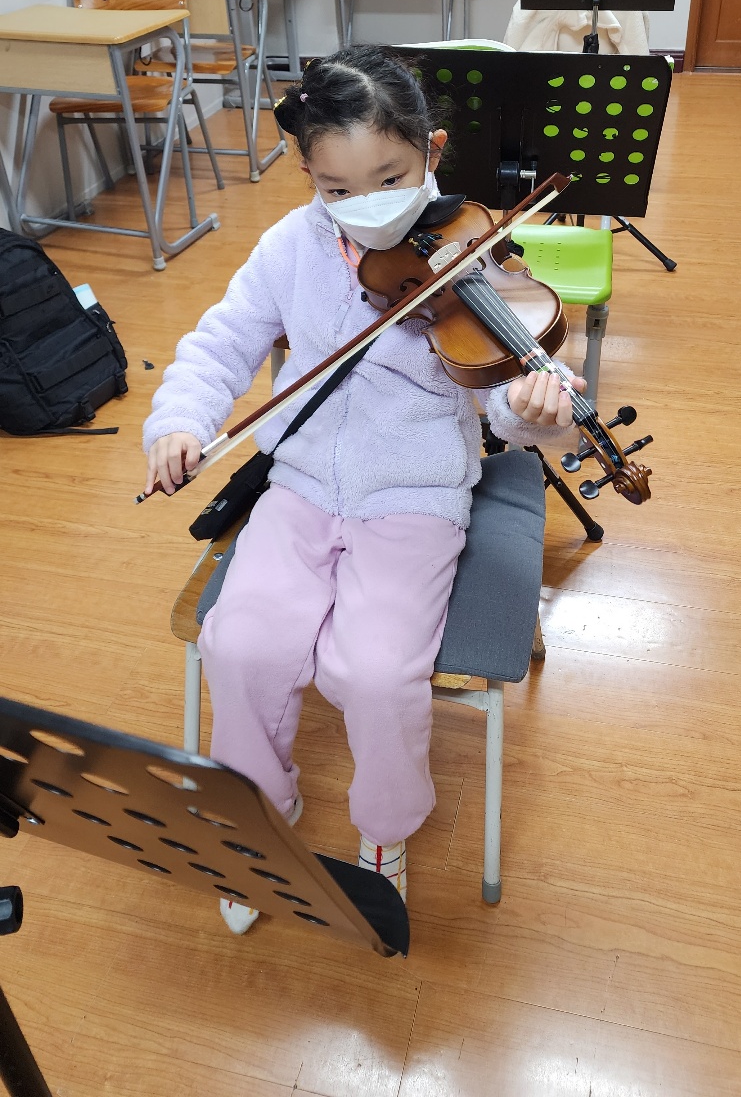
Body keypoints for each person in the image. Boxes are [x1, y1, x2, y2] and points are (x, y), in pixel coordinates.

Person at [143, 45, 583, 934]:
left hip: (413, 495)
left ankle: (385, 829)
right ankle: (262, 817)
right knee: (242, 643)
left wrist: (539, 408)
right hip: (300, 484)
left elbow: (503, 402)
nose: (368, 204)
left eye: (391, 178)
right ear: (307, 173)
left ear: (431, 150)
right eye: (338, 188)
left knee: (375, 671)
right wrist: (180, 422)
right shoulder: (289, 247)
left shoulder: (471, 255)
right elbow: (221, 344)